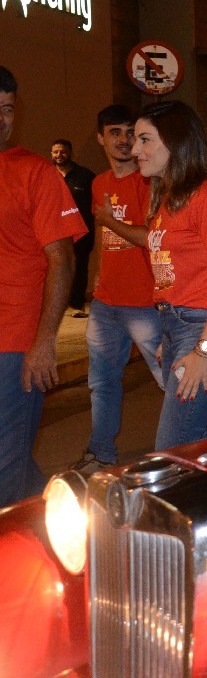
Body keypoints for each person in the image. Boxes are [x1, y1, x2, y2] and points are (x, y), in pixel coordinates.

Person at [95, 101, 207, 449]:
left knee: (171, 452)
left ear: (175, 142)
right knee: (205, 453)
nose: (135, 150)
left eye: (145, 140)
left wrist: (203, 350)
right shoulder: (167, 199)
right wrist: (169, 334)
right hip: (177, 327)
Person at [0, 66, 87, 505]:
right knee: (14, 468)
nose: (0, 118)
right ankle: (63, 532)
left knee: (6, 469)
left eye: (7, 109)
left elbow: (62, 258)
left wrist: (44, 340)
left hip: (14, 342)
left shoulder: (35, 172)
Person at [69, 106, 164, 472]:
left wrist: (109, 219)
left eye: (130, 133)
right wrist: (97, 275)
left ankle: (193, 450)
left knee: (172, 382)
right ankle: (101, 452)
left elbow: (149, 238)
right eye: (115, 133)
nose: (124, 141)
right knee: (103, 383)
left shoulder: (149, 181)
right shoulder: (99, 183)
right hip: (107, 304)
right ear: (100, 138)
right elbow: (101, 240)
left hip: (145, 304)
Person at [51, 137, 97, 315]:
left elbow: (96, 203)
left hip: (81, 232)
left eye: (62, 151)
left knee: (79, 267)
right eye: (55, 152)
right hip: (54, 232)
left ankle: (76, 304)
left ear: (70, 153)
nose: (59, 155)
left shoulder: (85, 176)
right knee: (55, 267)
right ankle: (56, 305)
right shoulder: (46, 174)